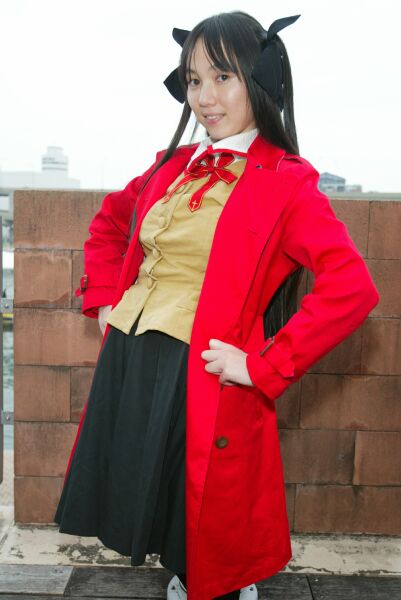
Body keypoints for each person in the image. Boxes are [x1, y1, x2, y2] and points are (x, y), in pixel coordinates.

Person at [53, 10, 380, 600]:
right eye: (194, 80)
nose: (204, 97)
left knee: (207, 509)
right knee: (158, 496)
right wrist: (103, 300)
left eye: (222, 77)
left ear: (260, 80)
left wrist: (263, 364)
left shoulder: (286, 181)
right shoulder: (173, 166)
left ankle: (219, 586)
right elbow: (109, 224)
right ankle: (189, 577)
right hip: (134, 360)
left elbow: (351, 286)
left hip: (203, 374)